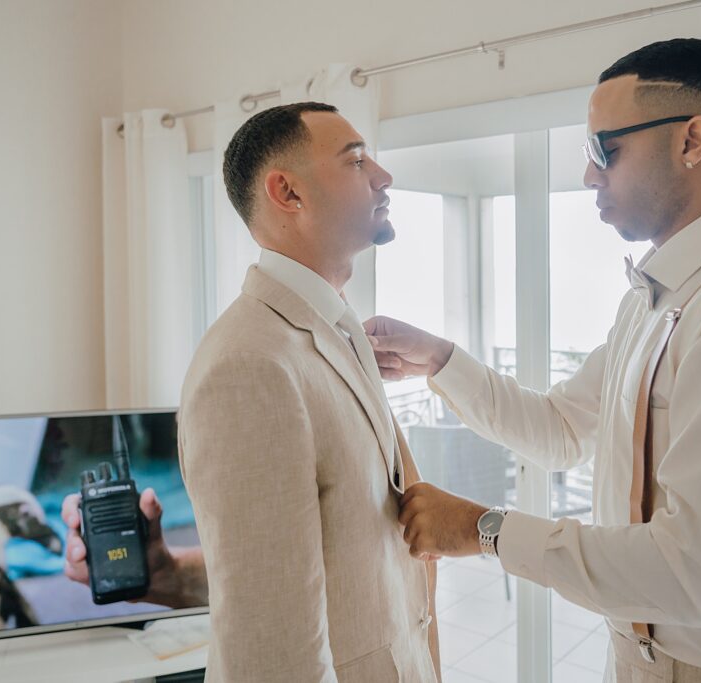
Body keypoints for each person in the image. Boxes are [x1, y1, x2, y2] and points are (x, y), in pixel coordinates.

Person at [367, 39, 701, 682]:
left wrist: (483, 529)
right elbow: (560, 430)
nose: (588, 176)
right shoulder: (650, 304)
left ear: (693, 140)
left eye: (605, 150)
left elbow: (694, 575)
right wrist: (439, 360)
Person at [63, 102, 440, 683]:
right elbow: (268, 648)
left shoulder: (337, 333)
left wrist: (167, 572)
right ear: (287, 193)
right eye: (357, 160)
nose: (383, 176)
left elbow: (293, 567)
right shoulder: (248, 366)